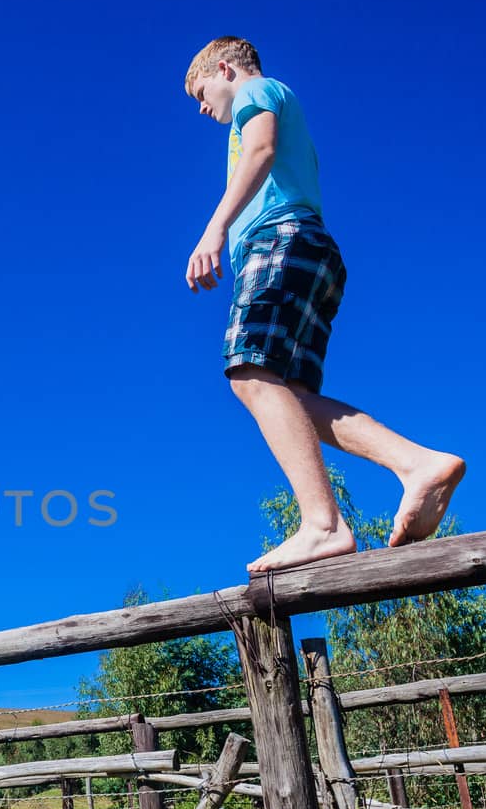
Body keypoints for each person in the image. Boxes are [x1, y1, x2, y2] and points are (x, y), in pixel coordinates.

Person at [182, 36, 465, 574]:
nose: (201, 107)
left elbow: (262, 150)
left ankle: (323, 525)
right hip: (310, 251)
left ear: (224, 68)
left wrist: (214, 229)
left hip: (281, 239)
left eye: (201, 91)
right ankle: (418, 464)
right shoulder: (276, 106)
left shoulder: (257, 91)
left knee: (248, 372)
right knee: (291, 402)